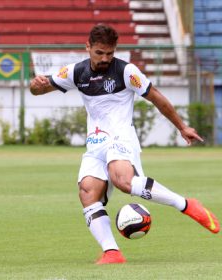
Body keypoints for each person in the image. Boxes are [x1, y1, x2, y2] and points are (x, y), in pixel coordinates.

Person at [30, 24, 220, 264]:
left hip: (121, 136)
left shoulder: (126, 71)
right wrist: (36, 86)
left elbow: (157, 98)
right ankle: (112, 252)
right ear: (87, 47)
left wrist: (182, 127)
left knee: (122, 180)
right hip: (96, 142)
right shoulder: (75, 72)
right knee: (88, 192)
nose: (105, 58)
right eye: (99, 53)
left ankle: (186, 205)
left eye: (109, 53)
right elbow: (40, 87)